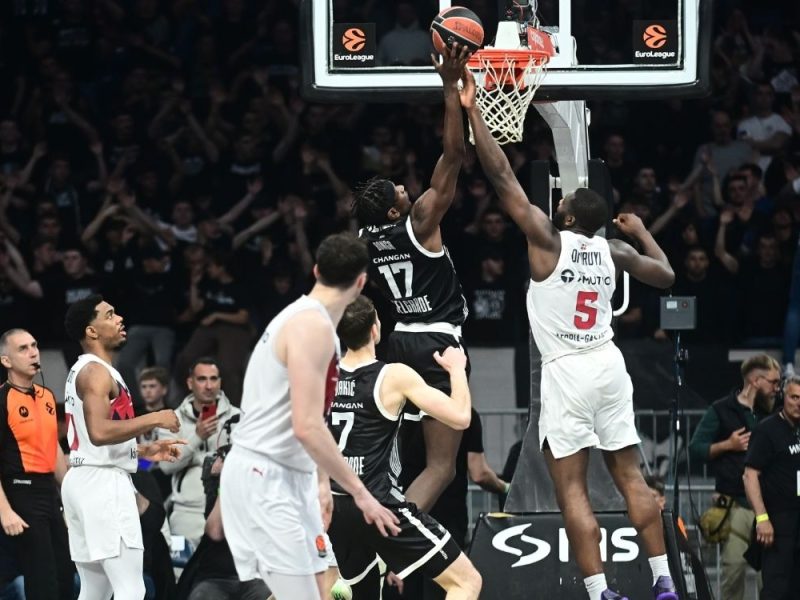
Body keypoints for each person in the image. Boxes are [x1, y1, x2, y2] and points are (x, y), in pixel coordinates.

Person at [462, 70, 679, 600]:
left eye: (565, 199)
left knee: (572, 489)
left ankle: (601, 591)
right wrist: (641, 232)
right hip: (609, 364)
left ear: (568, 212)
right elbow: (667, 276)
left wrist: (473, 112)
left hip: (567, 370)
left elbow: (502, 178)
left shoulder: (548, 241)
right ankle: (665, 582)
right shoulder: (614, 251)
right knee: (632, 478)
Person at [219, 233, 400, 600]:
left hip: (285, 474)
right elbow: (307, 426)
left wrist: (319, 484)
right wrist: (361, 494)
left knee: (321, 587)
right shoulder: (312, 327)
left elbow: (307, 418)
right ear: (361, 282)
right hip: (266, 474)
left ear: (316, 271)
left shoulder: (306, 321)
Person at [353, 42, 472, 514]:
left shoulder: (365, 237)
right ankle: (396, 541)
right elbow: (454, 155)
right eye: (398, 190)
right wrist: (450, 88)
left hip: (399, 341)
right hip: (438, 343)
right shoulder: (419, 221)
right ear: (393, 210)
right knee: (442, 468)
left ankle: (379, 525)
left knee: (401, 463)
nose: (406, 187)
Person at [327, 295, 481, 599]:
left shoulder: (324, 377)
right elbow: (461, 417)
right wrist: (456, 369)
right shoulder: (393, 376)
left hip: (336, 505)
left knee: (362, 593)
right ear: (375, 329)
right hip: (377, 504)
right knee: (466, 582)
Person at [60, 294, 185, 600]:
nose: (119, 319)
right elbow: (99, 431)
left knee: (96, 590)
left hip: (84, 479)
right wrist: (155, 417)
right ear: (91, 331)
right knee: (132, 589)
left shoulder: (87, 370)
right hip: (102, 485)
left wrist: (142, 451)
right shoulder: (96, 372)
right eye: (109, 315)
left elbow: (92, 440)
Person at [689, 354, 780, 600]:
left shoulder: (776, 411)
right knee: (733, 572)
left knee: (770, 577)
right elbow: (695, 448)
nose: (777, 388)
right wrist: (727, 445)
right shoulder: (721, 410)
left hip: (770, 505)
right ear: (755, 380)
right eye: (773, 382)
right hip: (735, 505)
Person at [0, 328, 73, 599]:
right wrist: (5, 512)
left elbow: (52, 447)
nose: (33, 353)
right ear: (6, 360)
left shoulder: (46, 396)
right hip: (20, 491)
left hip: (48, 492)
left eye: (34, 345)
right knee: (43, 578)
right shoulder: (2, 399)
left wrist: (71, 493)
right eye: (23, 348)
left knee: (66, 572)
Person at [160, 357, 240, 547]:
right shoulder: (171, 420)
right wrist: (197, 436)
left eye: (213, 379)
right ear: (190, 383)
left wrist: (194, 458)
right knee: (181, 565)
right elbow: (165, 466)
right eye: (202, 379)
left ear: (220, 382)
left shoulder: (237, 417)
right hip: (185, 515)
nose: (209, 386)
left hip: (227, 512)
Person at [743, 374, 800, 600]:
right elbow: (750, 475)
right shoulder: (767, 430)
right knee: (777, 590)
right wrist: (762, 518)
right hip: (778, 523)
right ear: (783, 397)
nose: (799, 403)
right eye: (794, 397)